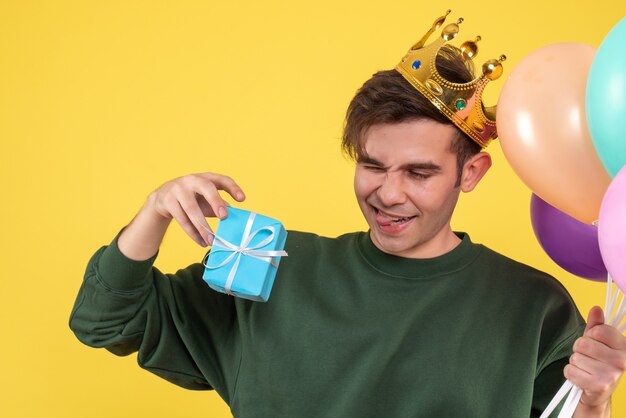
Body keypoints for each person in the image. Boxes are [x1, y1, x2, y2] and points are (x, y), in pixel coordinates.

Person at [69, 12, 626, 418]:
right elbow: (104, 323)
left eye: (419, 172)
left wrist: (595, 401)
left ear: (471, 173)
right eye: (372, 165)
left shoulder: (533, 305)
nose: (387, 193)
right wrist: (155, 211)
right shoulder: (272, 265)